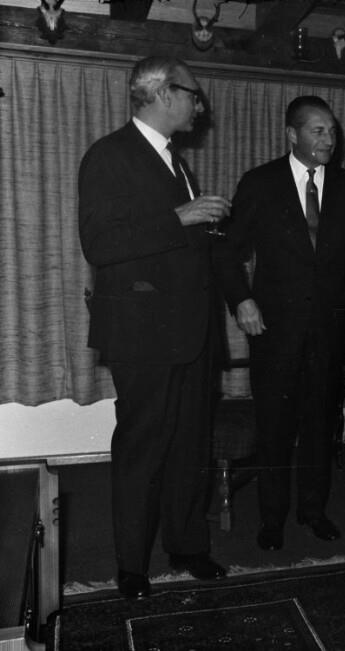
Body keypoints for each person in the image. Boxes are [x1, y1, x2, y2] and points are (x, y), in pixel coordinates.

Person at [78, 56, 231, 598]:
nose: (200, 105)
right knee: (143, 449)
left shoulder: (175, 162)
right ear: (164, 93)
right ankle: (132, 566)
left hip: (190, 331)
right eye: (193, 93)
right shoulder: (109, 156)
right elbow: (99, 244)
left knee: (190, 446)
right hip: (142, 334)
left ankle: (188, 547)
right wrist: (180, 218)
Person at [213, 96, 345, 552]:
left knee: (320, 425)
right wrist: (242, 299)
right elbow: (226, 251)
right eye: (318, 131)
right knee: (274, 428)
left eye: (332, 131)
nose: (329, 139)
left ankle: (313, 511)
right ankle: (272, 518)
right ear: (292, 134)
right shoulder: (260, 182)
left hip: (330, 330)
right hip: (274, 332)